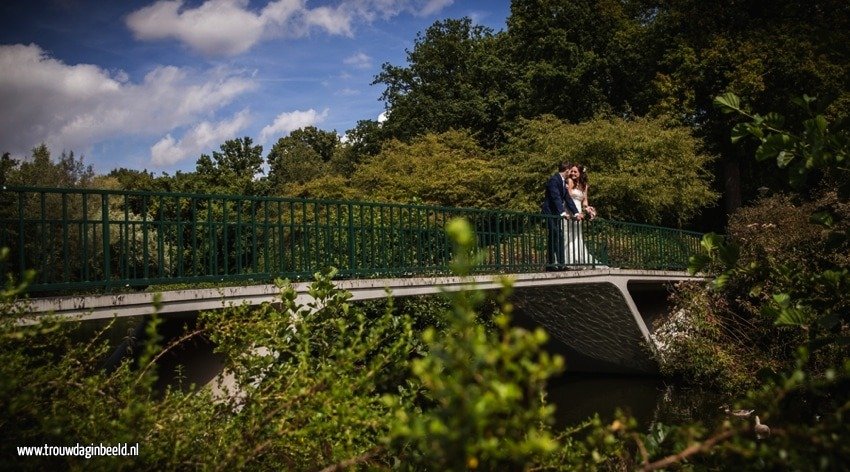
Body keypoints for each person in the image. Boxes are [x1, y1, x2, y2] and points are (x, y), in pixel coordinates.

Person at [564, 164, 606, 267]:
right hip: (570, 211)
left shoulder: (584, 186)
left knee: (577, 236)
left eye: (575, 172)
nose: (572, 173)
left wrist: (588, 209)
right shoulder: (569, 182)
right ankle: (567, 261)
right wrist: (573, 212)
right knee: (567, 236)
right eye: (572, 171)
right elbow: (567, 197)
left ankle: (578, 259)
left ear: (580, 173)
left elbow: (585, 201)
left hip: (579, 212)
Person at [541, 162, 581, 269]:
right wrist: (562, 212)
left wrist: (576, 213)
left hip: (556, 213)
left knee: (557, 236)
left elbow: (567, 199)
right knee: (555, 235)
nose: (571, 172)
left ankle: (558, 264)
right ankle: (555, 264)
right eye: (570, 170)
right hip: (550, 212)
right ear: (566, 170)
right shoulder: (554, 180)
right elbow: (556, 197)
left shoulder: (563, 182)